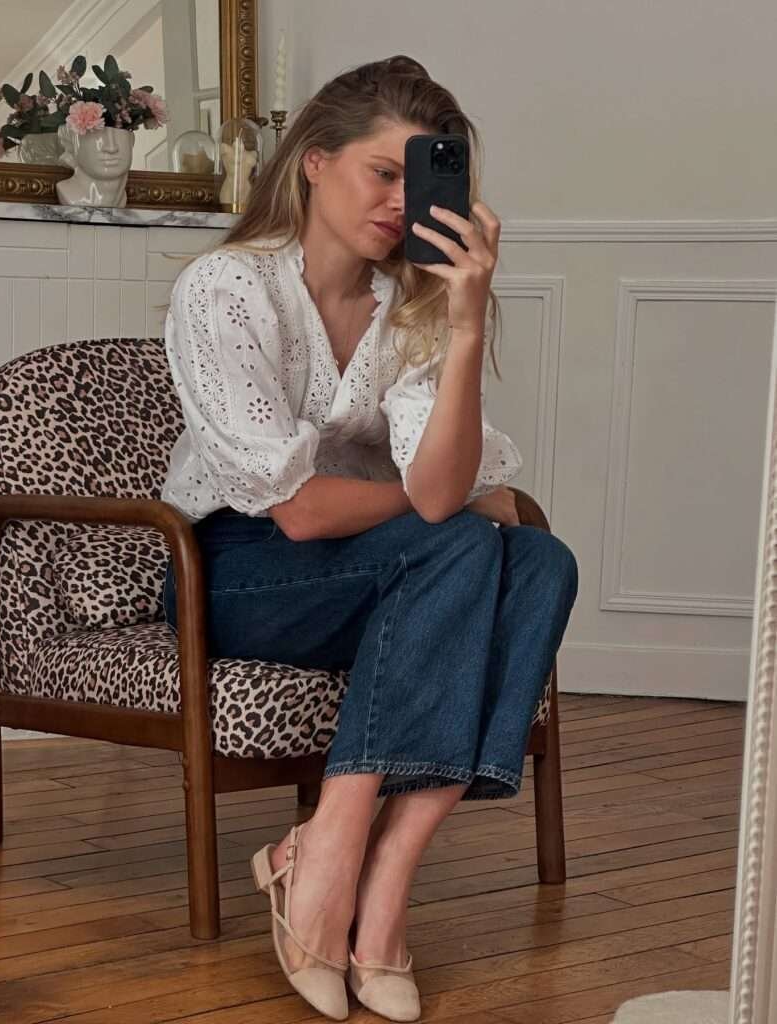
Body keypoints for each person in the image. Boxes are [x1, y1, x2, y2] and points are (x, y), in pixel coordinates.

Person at [160, 55, 578, 1023]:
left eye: (420, 177)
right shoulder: (225, 289)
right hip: (228, 572)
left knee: (542, 562)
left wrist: (466, 322)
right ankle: (340, 840)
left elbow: (436, 484)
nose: (400, 201)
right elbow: (302, 509)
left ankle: (377, 873)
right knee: (466, 537)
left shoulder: (413, 309)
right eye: (381, 173)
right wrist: (459, 505)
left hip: (371, 574)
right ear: (313, 162)